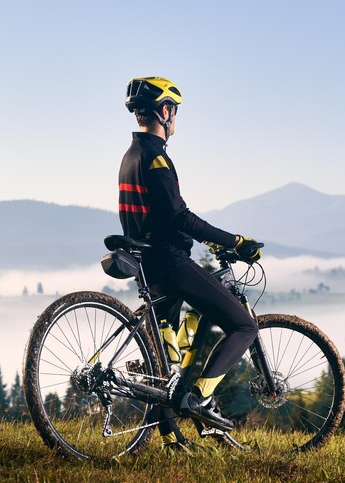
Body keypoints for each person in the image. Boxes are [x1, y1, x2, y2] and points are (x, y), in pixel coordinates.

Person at [118, 76, 263, 450]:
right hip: (170, 264)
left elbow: (154, 216)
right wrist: (233, 241)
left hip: (147, 265)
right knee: (244, 325)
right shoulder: (157, 158)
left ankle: (172, 439)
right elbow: (180, 218)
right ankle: (199, 398)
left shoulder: (130, 157)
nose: (176, 119)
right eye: (175, 111)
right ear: (165, 111)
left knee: (163, 368)